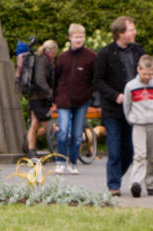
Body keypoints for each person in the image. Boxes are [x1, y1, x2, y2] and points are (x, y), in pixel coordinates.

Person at [94, 15, 143, 196]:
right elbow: (97, 81)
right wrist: (116, 96)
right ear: (121, 33)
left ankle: (115, 176)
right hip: (113, 110)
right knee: (114, 149)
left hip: (135, 110)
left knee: (130, 151)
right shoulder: (105, 53)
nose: (135, 32)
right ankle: (113, 186)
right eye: (131, 29)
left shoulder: (138, 51)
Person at [52, 24, 96, 175]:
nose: (79, 40)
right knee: (63, 131)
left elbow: (94, 79)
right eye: (76, 37)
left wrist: (89, 93)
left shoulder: (91, 57)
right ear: (70, 38)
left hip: (82, 100)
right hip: (64, 99)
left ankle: (72, 162)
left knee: (77, 135)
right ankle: (60, 161)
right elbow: (55, 79)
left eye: (81, 37)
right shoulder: (63, 58)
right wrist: (54, 99)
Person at [122, 54, 153, 197]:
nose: (147, 77)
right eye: (144, 74)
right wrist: (131, 118)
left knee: (152, 156)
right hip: (138, 124)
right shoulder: (131, 86)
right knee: (140, 154)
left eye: (150, 74)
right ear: (138, 69)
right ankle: (136, 183)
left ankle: (151, 182)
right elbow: (127, 105)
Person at [25, 39, 57, 159]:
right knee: (48, 125)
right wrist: (49, 91)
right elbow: (40, 79)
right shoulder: (43, 60)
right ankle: (31, 147)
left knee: (34, 124)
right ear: (53, 50)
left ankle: (31, 150)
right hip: (40, 97)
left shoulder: (38, 58)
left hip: (34, 96)